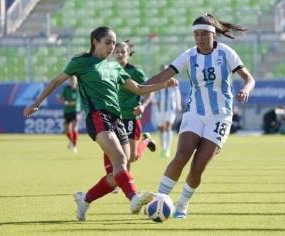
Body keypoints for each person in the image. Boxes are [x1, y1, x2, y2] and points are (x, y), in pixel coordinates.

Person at [23, 26, 178, 221]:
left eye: (114, 43)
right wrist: (37, 103)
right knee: (121, 161)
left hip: (118, 119)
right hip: (97, 117)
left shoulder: (114, 67)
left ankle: (84, 199)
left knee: (117, 173)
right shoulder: (81, 62)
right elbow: (56, 81)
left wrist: (164, 84)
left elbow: (138, 89)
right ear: (95, 42)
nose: (112, 47)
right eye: (108, 42)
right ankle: (134, 197)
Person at [145, 13, 255, 218]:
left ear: (213, 35)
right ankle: (159, 199)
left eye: (204, 34)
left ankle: (182, 205)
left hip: (220, 116)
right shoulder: (188, 55)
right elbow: (163, 76)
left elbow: (248, 78)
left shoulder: (226, 53)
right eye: (196, 34)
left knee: (198, 166)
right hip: (195, 111)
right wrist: (140, 88)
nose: (200, 39)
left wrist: (246, 88)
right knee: (181, 156)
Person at [104, 40, 156, 194]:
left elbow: (149, 90)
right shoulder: (108, 70)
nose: (120, 54)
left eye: (123, 52)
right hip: (113, 116)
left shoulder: (135, 72)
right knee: (111, 148)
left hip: (130, 117)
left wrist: (143, 106)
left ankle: (146, 140)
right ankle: (120, 180)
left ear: (128, 54)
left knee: (131, 157)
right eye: (117, 51)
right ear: (113, 53)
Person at [153, 65, 182, 158]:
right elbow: (153, 93)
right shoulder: (157, 82)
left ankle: (167, 149)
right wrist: (155, 101)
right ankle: (164, 148)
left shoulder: (173, 81)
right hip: (160, 109)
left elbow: (177, 93)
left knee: (168, 126)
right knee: (161, 128)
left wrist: (178, 104)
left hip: (171, 108)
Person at [57, 76, 81, 153]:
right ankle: (71, 141)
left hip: (76, 110)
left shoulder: (79, 89)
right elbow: (60, 98)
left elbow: (78, 101)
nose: (72, 82)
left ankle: (74, 146)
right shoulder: (66, 88)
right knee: (67, 129)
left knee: (74, 128)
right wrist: (65, 102)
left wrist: (69, 103)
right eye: (71, 80)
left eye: (73, 80)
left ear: (76, 81)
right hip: (67, 111)